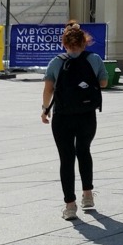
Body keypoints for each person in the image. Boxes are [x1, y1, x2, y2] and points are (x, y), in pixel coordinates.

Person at [41, 22, 109, 221]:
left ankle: (70, 206)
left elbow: (48, 90)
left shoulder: (56, 62)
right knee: (84, 152)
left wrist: (45, 109)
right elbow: (103, 83)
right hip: (87, 114)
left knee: (66, 158)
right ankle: (87, 195)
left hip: (62, 116)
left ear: (64, 43)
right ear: (84, 42)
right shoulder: (94, 59)